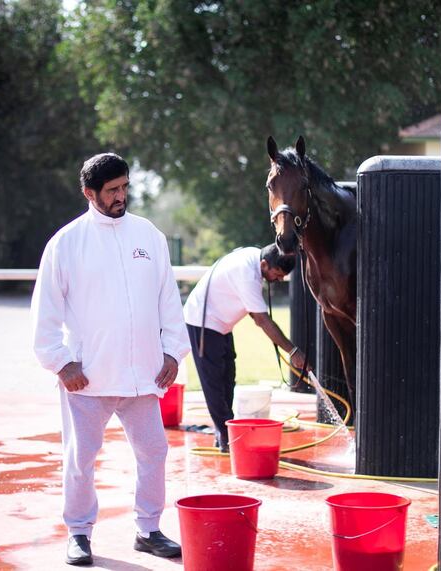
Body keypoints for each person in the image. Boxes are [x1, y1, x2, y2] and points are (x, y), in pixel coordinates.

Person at [30, 153, 190, 566]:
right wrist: (62, 363)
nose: (121, 196)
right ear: (89, 193)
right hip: (89, 379)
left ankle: (148, 530)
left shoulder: (148, 235)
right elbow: (44, 311)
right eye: (112, 191)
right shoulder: (66, 242)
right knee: (80, 460)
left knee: (154, 453)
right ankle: (79, 534)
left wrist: (172, 351)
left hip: (143, 377)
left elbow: (168, 301)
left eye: (124, 187)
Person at [183, 245, 309, 452]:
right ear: (264, 264)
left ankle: (224, 431)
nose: (277, 280)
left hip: (221, 324)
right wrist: (293, 351)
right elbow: (261, 319)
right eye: (276, 275)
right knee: (214, 382)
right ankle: (226, 438)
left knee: (227, 377)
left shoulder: (254, 255)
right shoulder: (247, 274)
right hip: (202, 321)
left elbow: (255, 313)